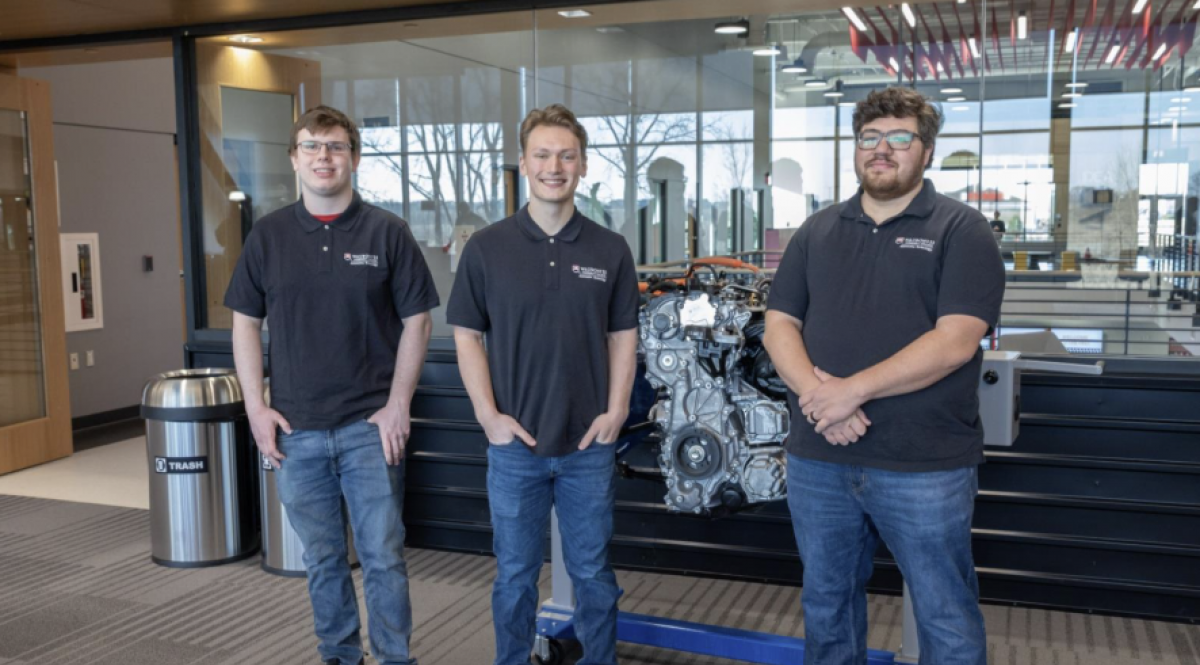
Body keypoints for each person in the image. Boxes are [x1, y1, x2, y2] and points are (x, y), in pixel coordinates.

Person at [763, 87, 1005, 665]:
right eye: (870, 138)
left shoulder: (962, 230)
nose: (882, 150)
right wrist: (820, 401)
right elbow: (778, 324)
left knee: (944, 611)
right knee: (827, 604)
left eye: (900, 138)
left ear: (926, 151)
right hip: (820, 458)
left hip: (923, 463)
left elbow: (955, 342)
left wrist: (849, 392)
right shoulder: (817, 230)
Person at [225, 105, 439, 665]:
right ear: (295, 158)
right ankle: (340, 656)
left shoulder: (387, 232)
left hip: (371, 428)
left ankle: (395, 658)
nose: (324, 156)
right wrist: (256, 408)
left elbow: (418, 320)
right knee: (321, 560)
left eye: (336, 146)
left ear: (355, 157)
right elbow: (244, 322)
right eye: (312, 146)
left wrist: (398, 405)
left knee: (383, 556)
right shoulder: (268, 237)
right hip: (297, 430)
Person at [446, 103, 639, 665]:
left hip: (588, 445)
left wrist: (616, 411)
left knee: (595, 578)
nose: (554, 166)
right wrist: (489, 417)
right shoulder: (487, 247)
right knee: (514, 580)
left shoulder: (610, 249)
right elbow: (466, 337)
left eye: (566, 155)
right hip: (515, 449)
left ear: (582, 166)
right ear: (524, 164)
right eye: (543, 155)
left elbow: (624, 336)